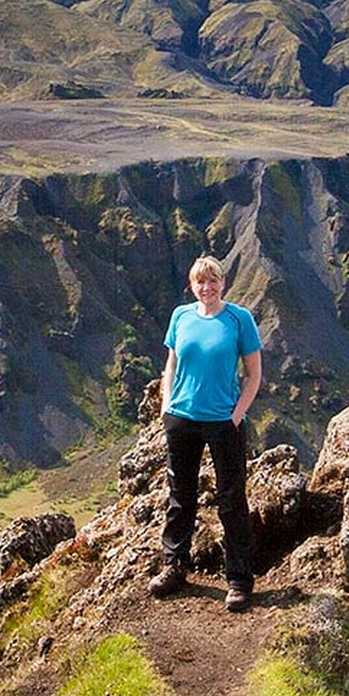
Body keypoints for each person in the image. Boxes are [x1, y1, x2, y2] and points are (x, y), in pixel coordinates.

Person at [149, 255, 263, 611]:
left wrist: (236, 415)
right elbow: (171, 364)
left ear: (223, 283)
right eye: (200, 281)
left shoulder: (239, 319)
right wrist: (167, 405)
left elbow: (254, 375)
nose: (207, 287)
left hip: (222, 422)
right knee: (180, 495)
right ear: (192, 285)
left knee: (231, 500)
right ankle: (174, 566)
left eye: (212, 280)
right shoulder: (180, 316)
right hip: (182, 419)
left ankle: (239, 580)